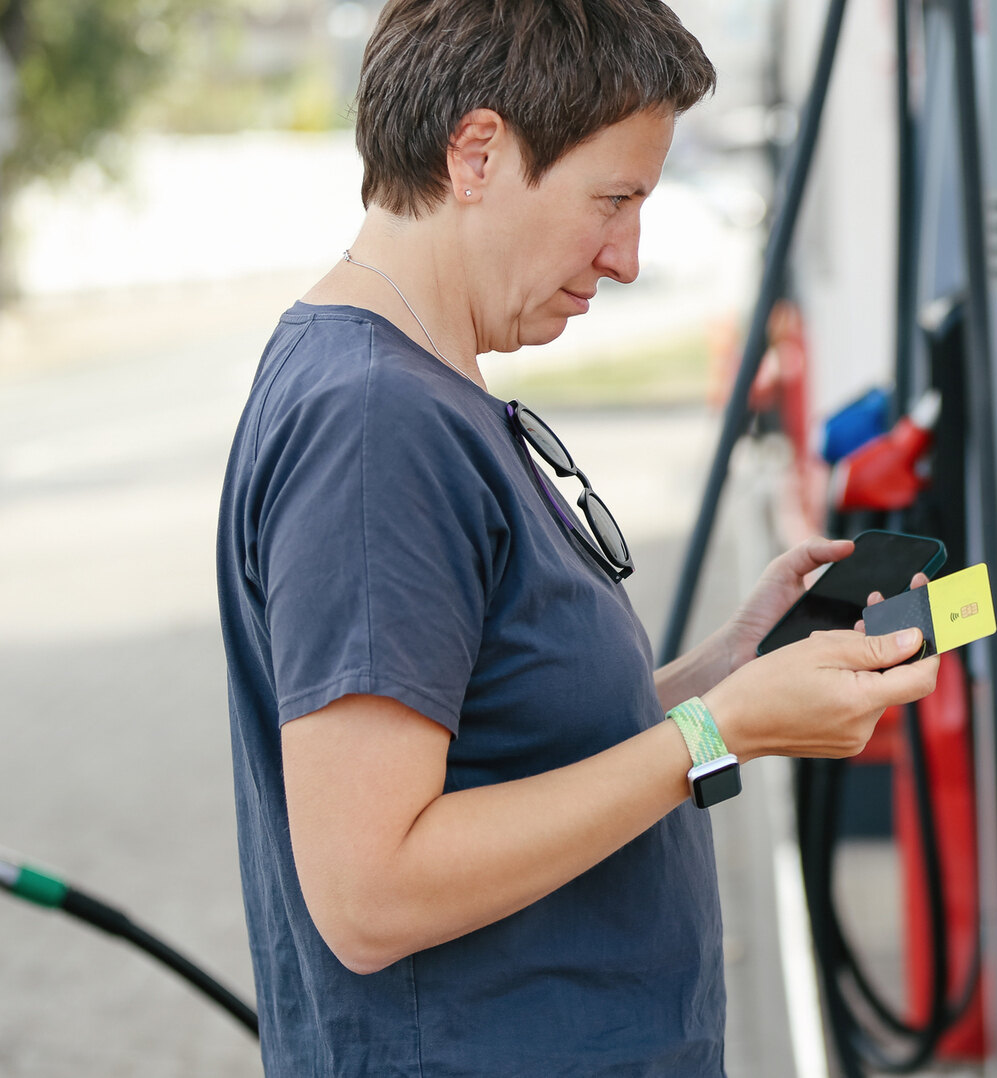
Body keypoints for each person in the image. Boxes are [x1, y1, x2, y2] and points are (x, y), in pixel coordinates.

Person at [214, 1, 939, 1074]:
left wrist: (715, 676)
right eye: (614, 199)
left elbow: (497, 745)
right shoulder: (374, 423)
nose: (629, 256)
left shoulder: (418, 387)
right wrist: (714, 734)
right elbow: (372, 890)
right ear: (477, 153)